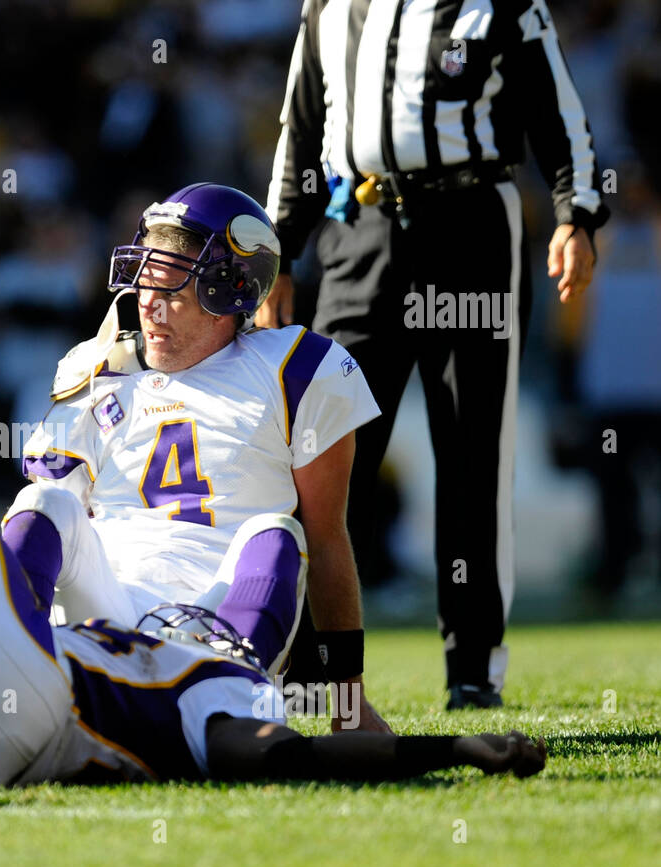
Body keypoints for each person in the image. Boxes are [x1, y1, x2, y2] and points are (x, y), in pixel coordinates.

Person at [0, 366, 546, 807]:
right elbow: (273, 747)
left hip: (26, 677)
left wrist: (450, 752)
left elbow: (275, 755)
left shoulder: (224, 689)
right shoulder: (227, 678)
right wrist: (450, 753)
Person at [258, 0, 609, 708]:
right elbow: (300, 123)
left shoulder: (502, 5)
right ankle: (315, 671)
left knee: (473, 450)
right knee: (323, 457)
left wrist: (576, 214)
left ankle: (473, 668)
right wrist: (277, 252)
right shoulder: (330, 5)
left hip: (471, 223)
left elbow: (558, 112)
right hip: (358, 229)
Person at [3, 183, 389, 732]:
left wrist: (348, 701)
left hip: (220, 623)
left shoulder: (295, 370)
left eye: (172, 292)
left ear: (227, 294)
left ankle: (224, 698)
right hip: (106, 609)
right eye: (144, 284)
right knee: (40, 501)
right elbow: (48, 530)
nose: (149, 306)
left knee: (279, 534)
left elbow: (327, 540)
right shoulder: (100, 371)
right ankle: (4, 674)